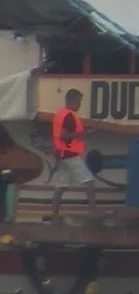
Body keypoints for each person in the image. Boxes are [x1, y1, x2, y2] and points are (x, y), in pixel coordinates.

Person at [50, 89, 96, 221]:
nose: (80, 104)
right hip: (70, 154)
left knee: (60, 185)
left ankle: (54, 215)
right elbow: (64, 136)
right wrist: (82, 134)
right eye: (79, 101)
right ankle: (93, 212)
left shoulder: (60, 114)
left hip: (61, 154)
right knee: (88, 180)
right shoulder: (69, 116)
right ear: (72, 100)